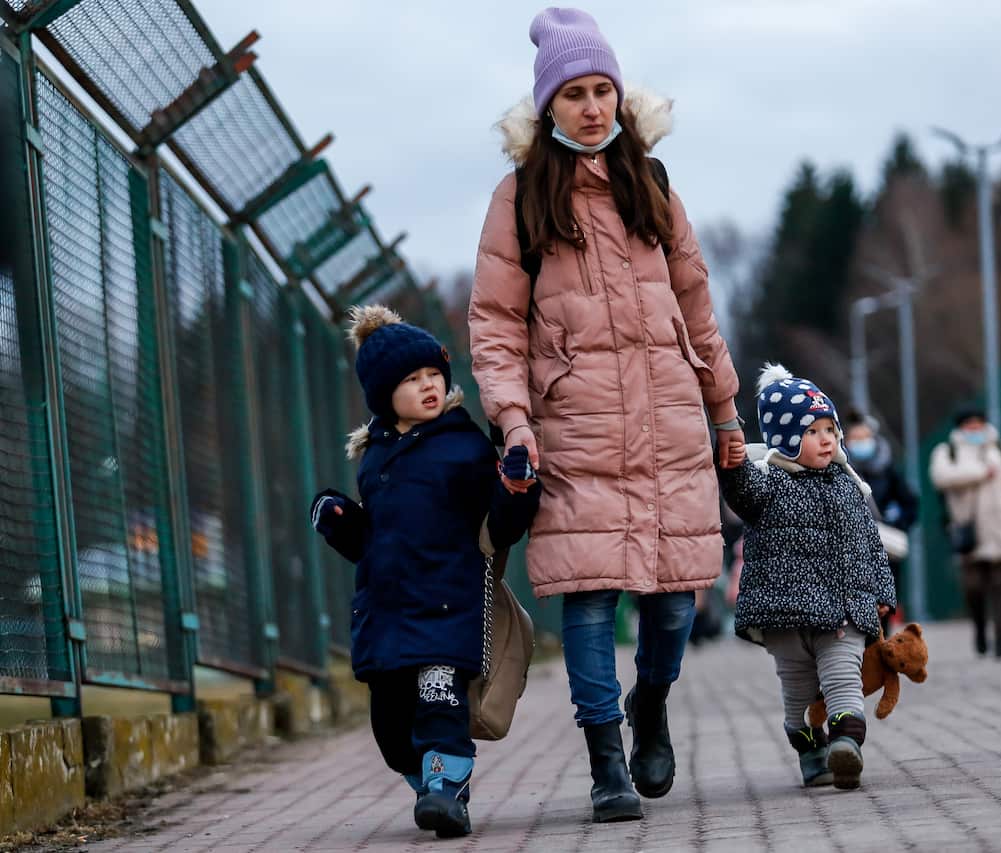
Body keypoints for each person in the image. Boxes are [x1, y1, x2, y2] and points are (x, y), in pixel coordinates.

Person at [467, 7, 745, 823]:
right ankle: (606, 759)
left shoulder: (651, 185)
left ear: (619, 96)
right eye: (574, 94)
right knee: (589, 598)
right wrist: (515, 420)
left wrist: (726, 413)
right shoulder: (521, 197)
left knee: (674, 599)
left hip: (670, 425)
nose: (591, 108)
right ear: (547, 104)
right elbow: (494, 324)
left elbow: (697, 306)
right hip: (573, 430)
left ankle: (649, 700)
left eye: (602, 91)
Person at [309, 306, 541, 837]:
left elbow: (501, 526)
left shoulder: (464, 445)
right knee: (391, 730)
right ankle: (427, 783)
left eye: (434, 374)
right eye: (412, 380)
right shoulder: (374, 458)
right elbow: (371, 543)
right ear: (383, 394)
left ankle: (447, 790)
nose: (429, 386)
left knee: (440, 705)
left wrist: (516, 488)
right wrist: (339, 520)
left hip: (446, 605)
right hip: (387, 613)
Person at [719, 364, 896, 791]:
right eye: (812, 432)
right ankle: (811, 754)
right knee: (798, 697)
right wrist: (733, 464)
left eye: (830, 429)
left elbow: (872, 544)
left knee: (843, 680)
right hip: (786, 616)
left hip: (841, 613)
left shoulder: (849, 486)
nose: (827, 439)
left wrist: (883, 592)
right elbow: (740, 491)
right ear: (784, 439)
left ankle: (846, 745)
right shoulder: (767, 484)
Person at [929, 407, 1001, 659]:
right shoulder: (948, 451)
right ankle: (979, 629)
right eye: (970, 425)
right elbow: (941, 477)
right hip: (970, 532)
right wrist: (980, 473)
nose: (975, 429)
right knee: (973, 587)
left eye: (979, 424)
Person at [844, 410, 918, 634]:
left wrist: (897, 525)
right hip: (851, 546)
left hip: (885, 546)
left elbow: (910, 502)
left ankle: (882, 641)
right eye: (855, 439)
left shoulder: (888, 470)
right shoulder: (840, 471)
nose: (861, 443)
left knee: (884, 598)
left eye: (865, 438)